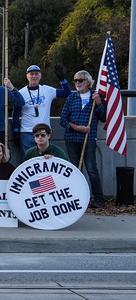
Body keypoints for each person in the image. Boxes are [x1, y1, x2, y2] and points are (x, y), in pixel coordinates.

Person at [59, 70, 107, 208]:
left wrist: (99, 103)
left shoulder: (96, 97)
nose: (77, 83)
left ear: (87, 82)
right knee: (75, 169)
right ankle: (77, 197)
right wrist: (77, 127)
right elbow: (63, 120)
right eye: (75, 80)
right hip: (72, 138)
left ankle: (99, 199)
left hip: (89, 138)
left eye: (80, 80)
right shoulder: (71, 98)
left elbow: (103, 118)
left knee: (91, 168)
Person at [15, 64, 70, 155]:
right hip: (27, 132)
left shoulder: (47, 90)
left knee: (45, 161)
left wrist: (62, 79)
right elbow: (16, 113)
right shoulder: (21, 92)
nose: (34, 76)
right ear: (27, 76)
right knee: (28, 161)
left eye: (36, 74)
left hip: (44, 132)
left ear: (40, 76)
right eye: (31, 74)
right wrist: (15, 131)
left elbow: (67, 93)